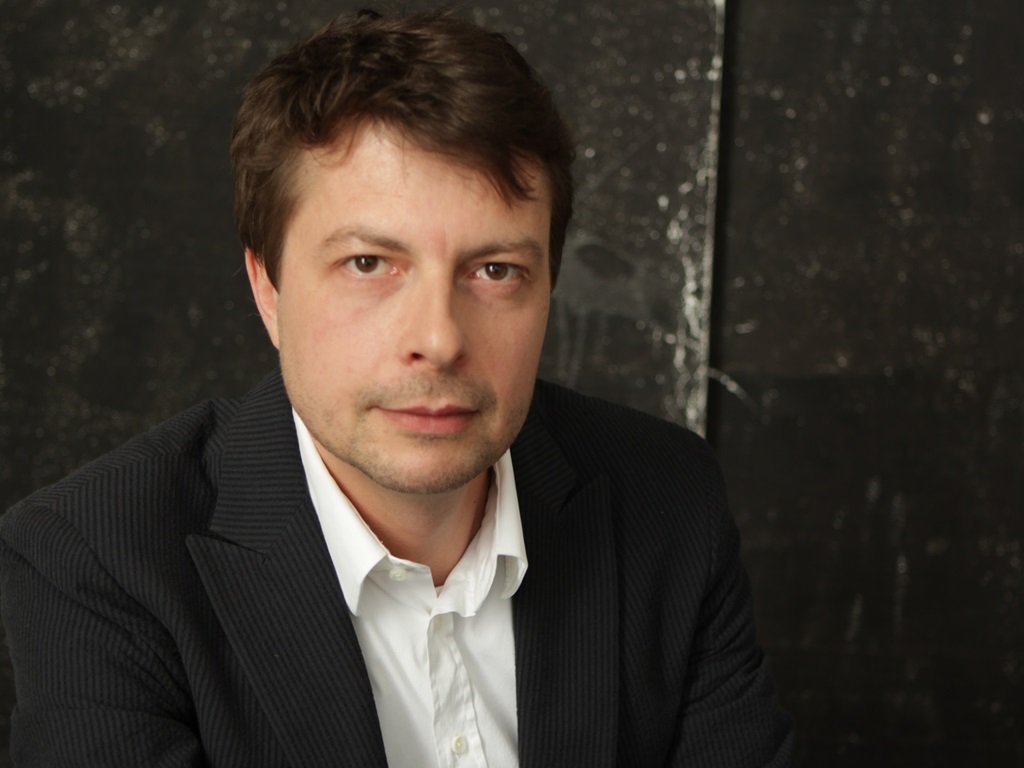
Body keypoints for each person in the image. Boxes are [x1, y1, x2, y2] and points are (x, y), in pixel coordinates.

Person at [0, 8, 793, 767]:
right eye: (369, 264)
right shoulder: (97, 560)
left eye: (495, 271)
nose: (439, 339)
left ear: (549, 287)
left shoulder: (669, 501)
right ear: (268, 287)